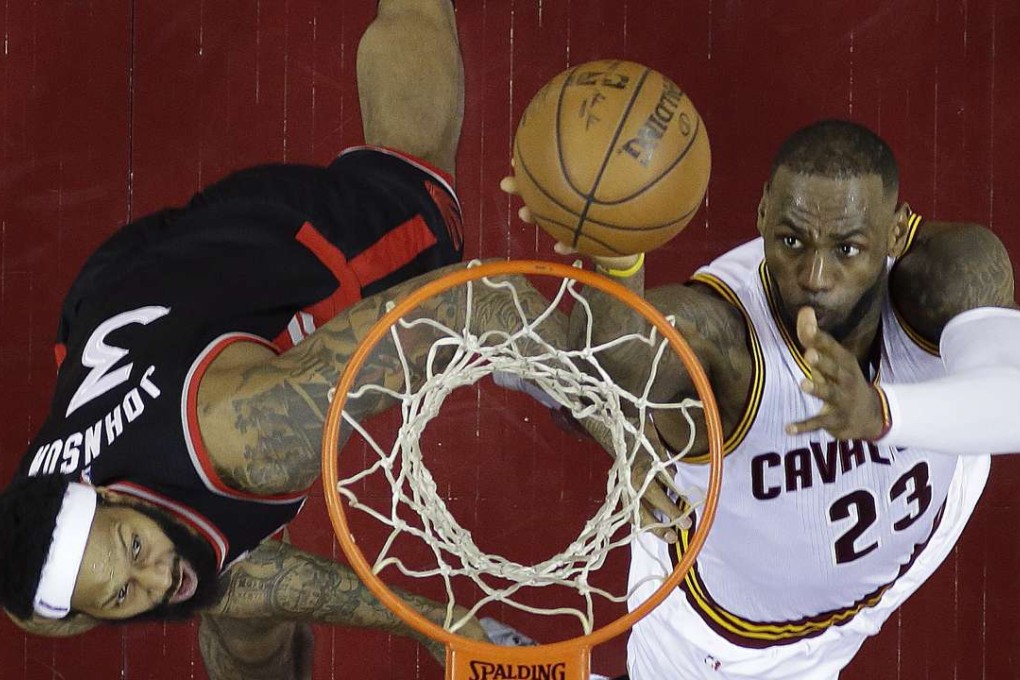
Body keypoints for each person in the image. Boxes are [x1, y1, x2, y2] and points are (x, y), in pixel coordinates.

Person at [0, 1, 541, 678]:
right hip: (104, 305)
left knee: (419, 199)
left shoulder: (264, 430)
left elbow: (477, 299)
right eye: (121, 595)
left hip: (254, 253)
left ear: (116, 497)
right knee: (247, 634)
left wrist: (539, 356)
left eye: (137, 549)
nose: (158, 578)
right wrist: (430, 621)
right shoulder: (38, 589)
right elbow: (239, 578)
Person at [506, 118, 1020, 678]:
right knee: (607, 389)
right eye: (791, 242)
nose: (816, 277)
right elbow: (615, 367)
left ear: (897, 232)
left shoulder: (948, 273)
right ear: (761, 217)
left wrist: (879, 414)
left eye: (848, 247)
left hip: (907, 556)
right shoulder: (719, 332)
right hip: (726, 648)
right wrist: (614, 259)